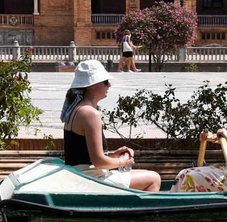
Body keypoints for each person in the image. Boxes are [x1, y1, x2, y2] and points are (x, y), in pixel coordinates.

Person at [62, 59, 161, 191]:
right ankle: (138, 211)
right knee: (153, 178)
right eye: (105, 82)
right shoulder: (90, 114)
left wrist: (114, 154)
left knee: (147, 175)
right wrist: (124, 162)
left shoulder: (76, 110)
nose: (109, 85)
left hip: (81, 175)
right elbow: (98, 162)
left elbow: (83, 156)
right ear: (93, 85)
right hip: (90, 179)